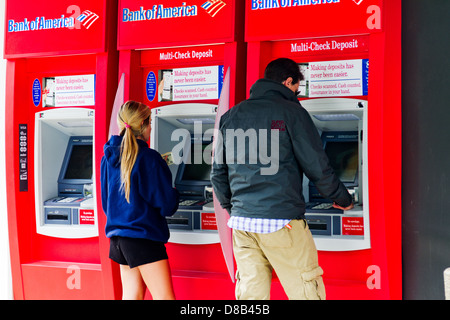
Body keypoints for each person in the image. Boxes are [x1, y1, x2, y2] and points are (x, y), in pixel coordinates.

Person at [210, 58, 354, 300]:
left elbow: (218, 174)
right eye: (296, 89)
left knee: (250, 298)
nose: (296, 94)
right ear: (289, 81)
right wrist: (343, 199)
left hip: (243, 225)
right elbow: (317, 167)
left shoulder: (231, 115)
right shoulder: (293, 113)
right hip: (281, 221)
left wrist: (233, 208)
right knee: (306, 293)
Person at [101, 100, 179, 300]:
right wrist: (175, 190)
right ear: (144, 124)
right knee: (165, 297)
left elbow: (105, 202)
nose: (151, 128)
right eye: (150, 122)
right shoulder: (149, 158)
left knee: (132, 296)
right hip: (143, 239)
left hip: (118, 240)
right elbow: (167, 205)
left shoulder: (108, 157)